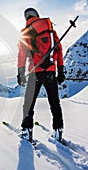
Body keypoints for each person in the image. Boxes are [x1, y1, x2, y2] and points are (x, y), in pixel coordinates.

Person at [17, 8, 65, 142]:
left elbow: (22, 54)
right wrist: (60, 71)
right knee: (55, 103)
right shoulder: (50, 30)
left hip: (35, 73)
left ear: (26, 18)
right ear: (37, 15)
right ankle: (58, 132)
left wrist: (20, 72)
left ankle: (27, 132)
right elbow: (59, 50)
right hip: (51, 72)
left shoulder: (26, 32)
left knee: (29, 104)